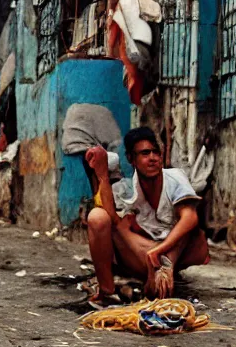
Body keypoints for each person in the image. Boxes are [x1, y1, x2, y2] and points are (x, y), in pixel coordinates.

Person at [83, 127, 210, 305]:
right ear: (131, 159)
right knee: (99, 217)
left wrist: (158, 252)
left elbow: (190, 218)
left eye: (155, 152)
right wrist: (102, 174)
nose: (152, 158)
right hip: (142, 253)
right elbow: (112, 219)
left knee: (186, 227)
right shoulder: (127, 187)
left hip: (174, 252)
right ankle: (107, 292)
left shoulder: (174, 177)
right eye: (145, 153)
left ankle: (163, 269)